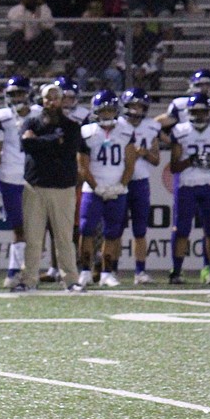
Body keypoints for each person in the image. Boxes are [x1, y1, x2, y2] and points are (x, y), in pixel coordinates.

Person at [15, 83, 84, 292]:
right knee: (33, 238)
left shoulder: (72, 126)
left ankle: (71, 280)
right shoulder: (31, 122)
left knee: (64, 238)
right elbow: (25, 145)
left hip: (63, 188)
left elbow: (67, 149)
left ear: (62, 100)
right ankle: (28, 280)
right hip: (35, 187)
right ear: (41, 100)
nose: (51, 102)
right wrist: (54, 141)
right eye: (47, 98)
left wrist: (40, 143)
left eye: (55, 98)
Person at [167, 93, 210, 284]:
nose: (200, 116)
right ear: (189, 112)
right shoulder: (180, 130)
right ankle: (176, 272)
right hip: (187, 185)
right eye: (195, 112)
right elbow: (174, 167)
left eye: (203, 112)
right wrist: (191, 161)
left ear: (209, 112)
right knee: (182, 229)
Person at [76, 91, 135, 287]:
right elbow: (82, 166)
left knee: (113, 232)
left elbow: (130, 163)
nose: (108, 114)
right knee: (86, 229)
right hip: (93, 190)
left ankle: (106, 272)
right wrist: (97, 187)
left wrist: (121, 186)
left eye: (111, 110)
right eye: (104, 110)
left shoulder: (126, 130)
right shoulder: (86, 131)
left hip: (117, 190)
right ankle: (85, 270)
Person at [0, 75, 40, 288]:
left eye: (20, 93)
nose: (17, 98)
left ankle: (27, 272)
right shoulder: (0, 116)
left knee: (35, 229)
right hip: (10, 176)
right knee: (19, 228)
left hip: (35, 177)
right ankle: (14, 271)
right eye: (13, 94)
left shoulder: (39, 113)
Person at [117, 88, 163, 284]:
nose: (136, 110)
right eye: (133, 106)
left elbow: (156, 160)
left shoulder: (151, 127)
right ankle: (109, 270)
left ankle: (140, 271)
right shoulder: (116, 125)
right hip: (118, 180)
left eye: (140, 106)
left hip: (140, 182)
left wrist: (144, 153)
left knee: (140, 230)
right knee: (114, 230)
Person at [71, 0, 123, 94]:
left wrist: (105, 63)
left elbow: (112, 48)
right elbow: (76, 49)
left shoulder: (107, 27)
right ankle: (80, 98)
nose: (95, 12)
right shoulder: (82, 28)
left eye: (98, 9)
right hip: (86, 66)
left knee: (116, 75)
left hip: (104, 67)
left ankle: (117, 99)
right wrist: (84, 63)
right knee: (81, 74)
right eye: (93, 9)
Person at [6, 0, 56, 73]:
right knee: (16, 36)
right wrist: (23, 9)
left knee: (48, 34)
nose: (31, 0)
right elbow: (17, 27)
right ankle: (22, 68)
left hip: (38, 45)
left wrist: (38, 12)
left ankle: (43, 68)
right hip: (23, 45)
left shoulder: (44, 9)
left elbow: (48, 26)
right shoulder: (15, 10)